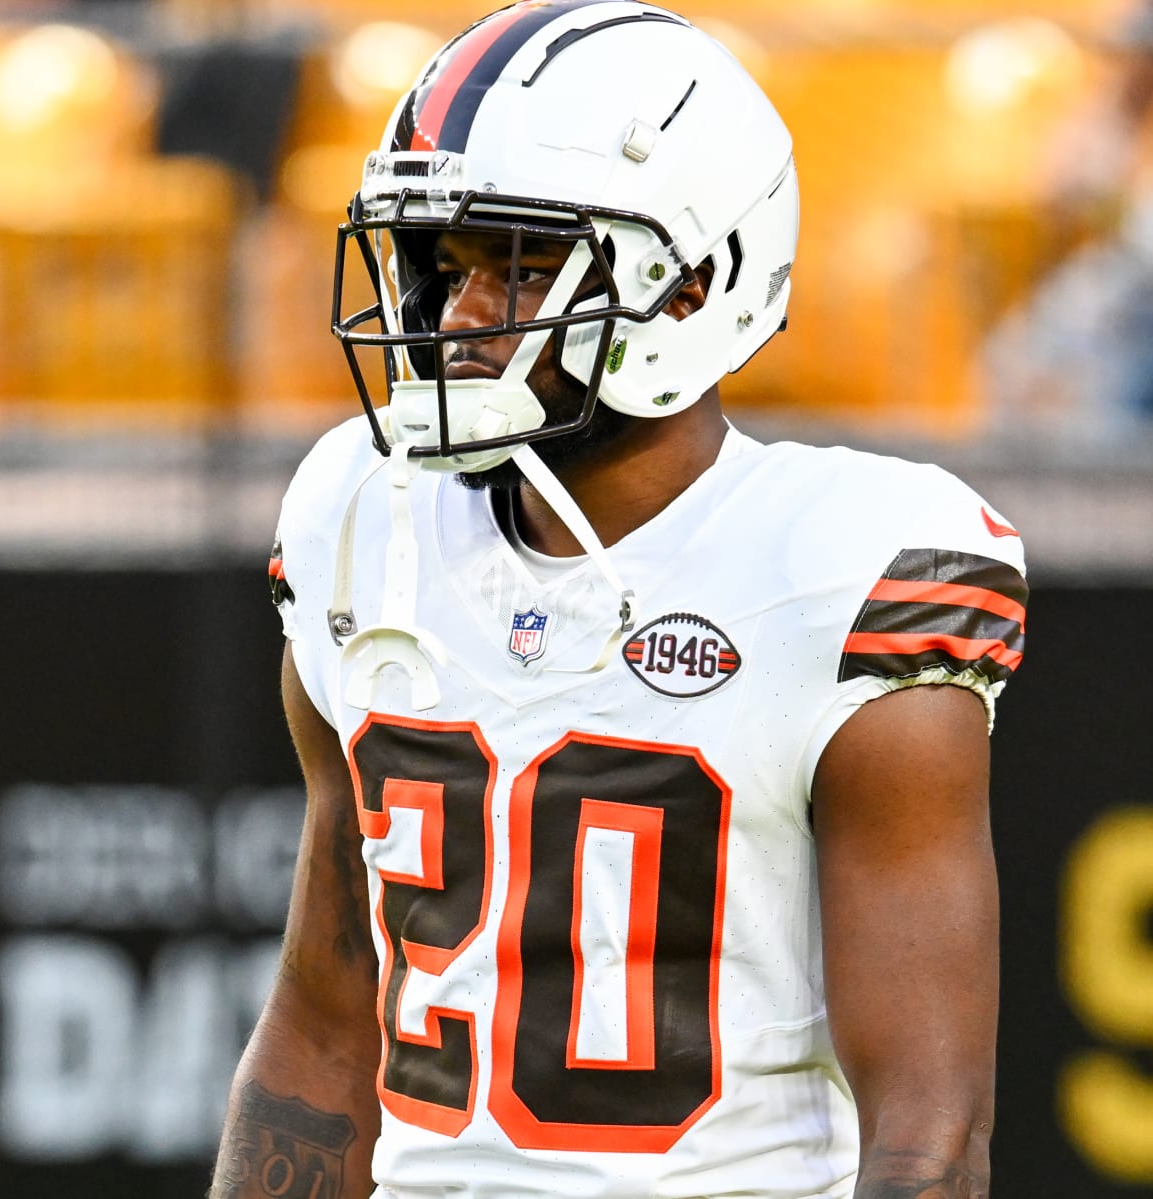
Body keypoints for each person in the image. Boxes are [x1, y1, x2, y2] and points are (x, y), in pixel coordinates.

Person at [211, 3, 1027, 1197]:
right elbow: (327, 1023)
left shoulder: (843, 563)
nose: (457, 314)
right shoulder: (360, 515)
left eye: (524, 262)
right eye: (448, 263)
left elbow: (929, 1129)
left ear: (690, 283)